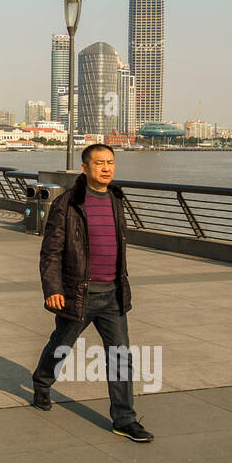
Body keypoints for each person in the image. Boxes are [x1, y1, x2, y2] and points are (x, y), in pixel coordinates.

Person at [32, 143, 153, 444]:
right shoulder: (67, 203)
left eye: (110, 162)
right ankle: (42, 381)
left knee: (121, 357)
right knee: (62, 345)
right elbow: (51, 252)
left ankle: (125, 420)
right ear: (84, 168)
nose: (106, 168)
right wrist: (53, 289)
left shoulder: (116, 200)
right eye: (99, 163)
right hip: (79, 294)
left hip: (112, 295)